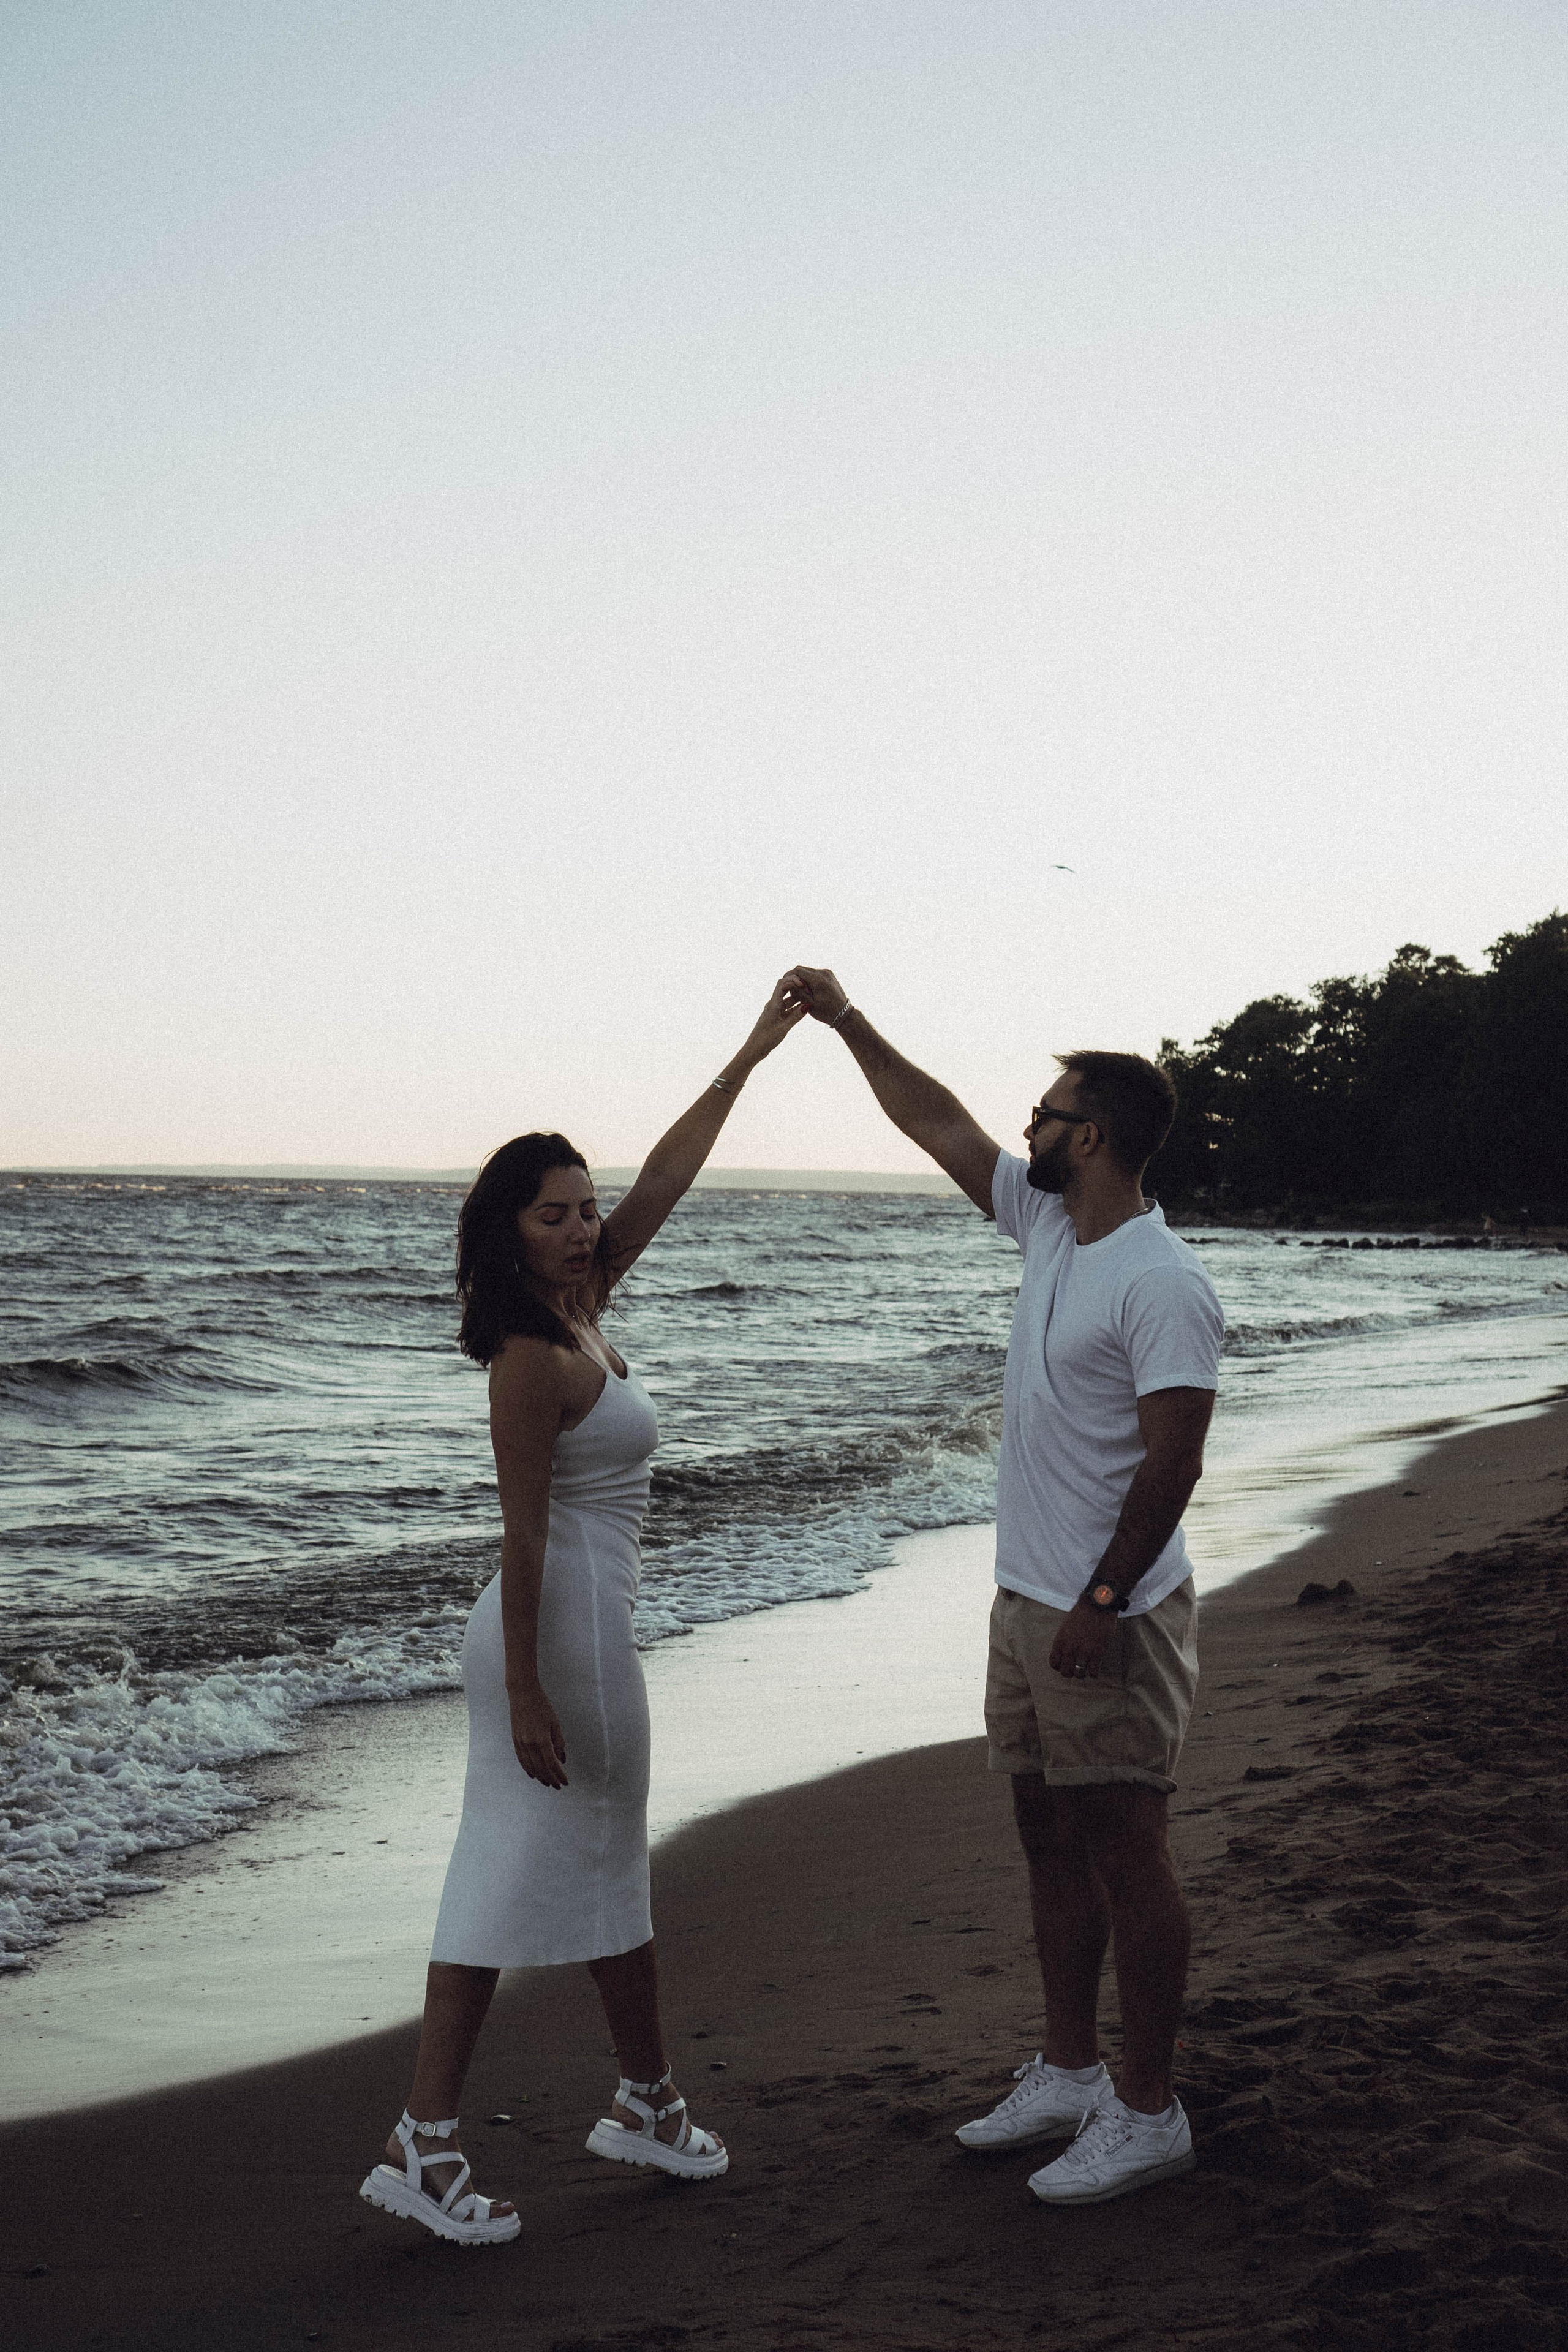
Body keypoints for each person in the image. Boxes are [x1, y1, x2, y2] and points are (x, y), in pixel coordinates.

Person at [360, 976, 808, 2245]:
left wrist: (755, 1050)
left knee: (595, 1862)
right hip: (554, 1633)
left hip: (580, 1629)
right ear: (507, 1232)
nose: (580, 1225)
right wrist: (530, 1691)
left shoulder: (583, 1308)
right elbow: (521, 1533)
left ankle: (636, 2101)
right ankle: (437, 2137)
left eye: (584, 1208)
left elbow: (668, 1175)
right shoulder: (527, 1356)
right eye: (553, 1213)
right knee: (526, 1869)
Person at [786, 968, 1223, 2207]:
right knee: (1045, 1833)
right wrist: (847, 1021)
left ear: (1085, 1137)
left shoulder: (1159, 1278)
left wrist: (1098, 1600)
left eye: (1041, 1114)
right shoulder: (1048, 1229)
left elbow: (1173, 1456)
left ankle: (1147, 2109)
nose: (1020, 1129)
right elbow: (930, 1122)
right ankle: (1071, 2071)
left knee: (1126, 1845)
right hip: (1025, 1597)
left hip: (1109, 1611)